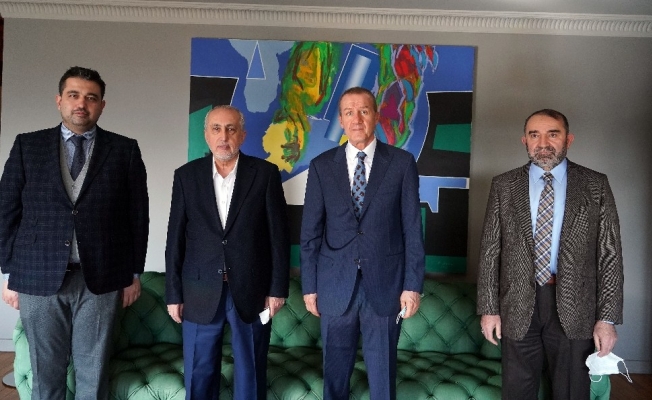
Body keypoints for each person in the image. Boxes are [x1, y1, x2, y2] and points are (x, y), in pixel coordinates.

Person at [0, 66, 149, 399]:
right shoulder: (28, 146)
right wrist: (8, 272)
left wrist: (134, 274)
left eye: (91, 97)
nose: (82, 103)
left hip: (102, 278)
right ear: (59, 100)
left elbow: (138, 217)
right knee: (46, 373)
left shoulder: (124, 150)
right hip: (37, 276)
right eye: (74, 95)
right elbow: (7, 211)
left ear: (102, 105)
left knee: (93, 374)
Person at [477, 109, 624, 400]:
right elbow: (490, 250)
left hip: (576, 304)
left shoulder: (595, 184)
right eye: (534, 135)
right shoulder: (504, 185)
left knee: (571, 390)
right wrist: (489, 309)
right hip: (517, 302)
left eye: (552, 134)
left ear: (568, 139)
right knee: (517, 391)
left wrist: (606, 319)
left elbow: (610, 256)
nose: (543, 143)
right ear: (525, 141)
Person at [300, 87, 425, 400]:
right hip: (333, 287)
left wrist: (412, 286)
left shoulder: (401, 163)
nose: (356, 119)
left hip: (386, 286)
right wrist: (310, 286)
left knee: (383, 377)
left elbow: (412, 229)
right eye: (349, 112)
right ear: (341, 120)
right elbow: (310, 233)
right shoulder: (321, 166)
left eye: (364, 111)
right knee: (334, 377)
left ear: (376, 116)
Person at [165, 105, 290, 400]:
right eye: (217, 129)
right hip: (199, 290)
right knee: (199, 372)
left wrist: (277, 290)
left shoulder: (265, 174)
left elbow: (279, 237)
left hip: (251, 288)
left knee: (251, 371)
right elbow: (175, 239)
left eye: (231, 129)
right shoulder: (186, 176)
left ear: (242, 135)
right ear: (206, 135)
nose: (224, 137)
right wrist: (173, 294)